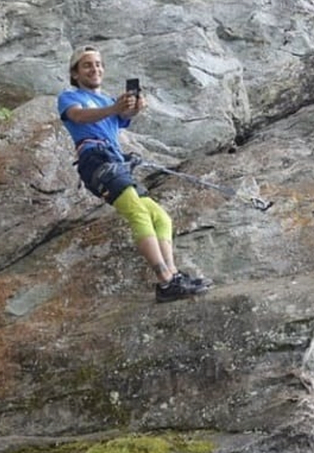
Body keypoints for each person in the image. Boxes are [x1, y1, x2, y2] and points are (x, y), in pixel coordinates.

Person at [57, 46, 211, 303]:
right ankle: (165, 280)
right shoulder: (69, 97)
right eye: (87, 65)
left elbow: (125, 115)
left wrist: (134, 106)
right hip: (94, 160)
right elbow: (79, 117)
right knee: (137, 213)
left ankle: (172, 277)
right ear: (75, 73)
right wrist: (115, 108)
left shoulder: (107, 100)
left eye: (98, 64)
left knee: (161, 217)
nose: (94, 69)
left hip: (115, 162)